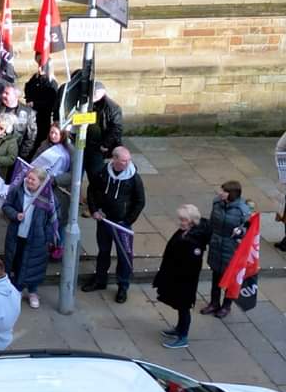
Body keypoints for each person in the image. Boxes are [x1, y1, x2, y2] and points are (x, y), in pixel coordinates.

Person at [82, 146, 145, 303]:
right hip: (104, 220)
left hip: (122, 223)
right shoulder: (103, 173)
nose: (127, 163)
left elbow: (140, 201)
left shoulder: (134, 178)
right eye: (124, 160)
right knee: (103, 251)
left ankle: (123, 286)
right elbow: (91, 191)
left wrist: (128, 220)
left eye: (128, 160)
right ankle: (100, 280)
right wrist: (94, 210)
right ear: (114, 159)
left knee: (124, 255)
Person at [154, 204, 210, 349]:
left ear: (191, 221)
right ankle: (179, 329)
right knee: (180, 307)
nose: (180, 222)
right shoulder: (186, 232)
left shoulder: (193, 242)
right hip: (177, 277)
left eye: (183, 220)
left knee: (184, 308)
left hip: (184, 281)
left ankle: (183, 337)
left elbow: (191, 265)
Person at [1, 167, 58, 310]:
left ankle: (33, 292)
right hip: (17, 236)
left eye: (33, 179)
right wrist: (15, 215)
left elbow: (54, 220)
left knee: (34, 267)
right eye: (28, 177)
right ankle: (16, 290)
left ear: (42, 182)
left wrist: (46, 237)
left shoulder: (48, 198)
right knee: (16, 263)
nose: (29, 181)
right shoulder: (17, 191)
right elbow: (6, 206)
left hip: (36, 239)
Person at [201, 180, 252, 319]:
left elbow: (248, 229)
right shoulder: (217, 203)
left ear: (232, 194)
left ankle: (226, 305)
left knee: (230, 279)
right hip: (216, 244)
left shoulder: (242, 210)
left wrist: (241, 231)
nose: (220, 193)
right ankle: (214, 303)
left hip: (232, 248)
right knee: (216, 276)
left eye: (224, 191)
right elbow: (212, 222)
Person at [84, 81, 123, 179]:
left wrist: (105, 144)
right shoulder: (88, 103)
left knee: (95, 174)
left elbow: (116, 128)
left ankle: (94, 193)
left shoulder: (112, 108)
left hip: (98, 146)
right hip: (86, 143)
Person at [0, 85, 38, 161]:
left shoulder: (28, 113)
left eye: (7, 93)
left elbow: (30, 138)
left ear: (16, 96)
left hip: (13, 155)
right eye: (3, 92)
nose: (3, 95)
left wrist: (20, 157)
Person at [23, 61, 58, 150]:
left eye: (42, 67)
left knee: (39, 138)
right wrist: (29, 99)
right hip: (32, 114)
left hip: (43, 117)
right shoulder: (35, 78)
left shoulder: (52, 83)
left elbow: (50, 102)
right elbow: (27, 87)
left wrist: (35, 104)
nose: (39, 69)